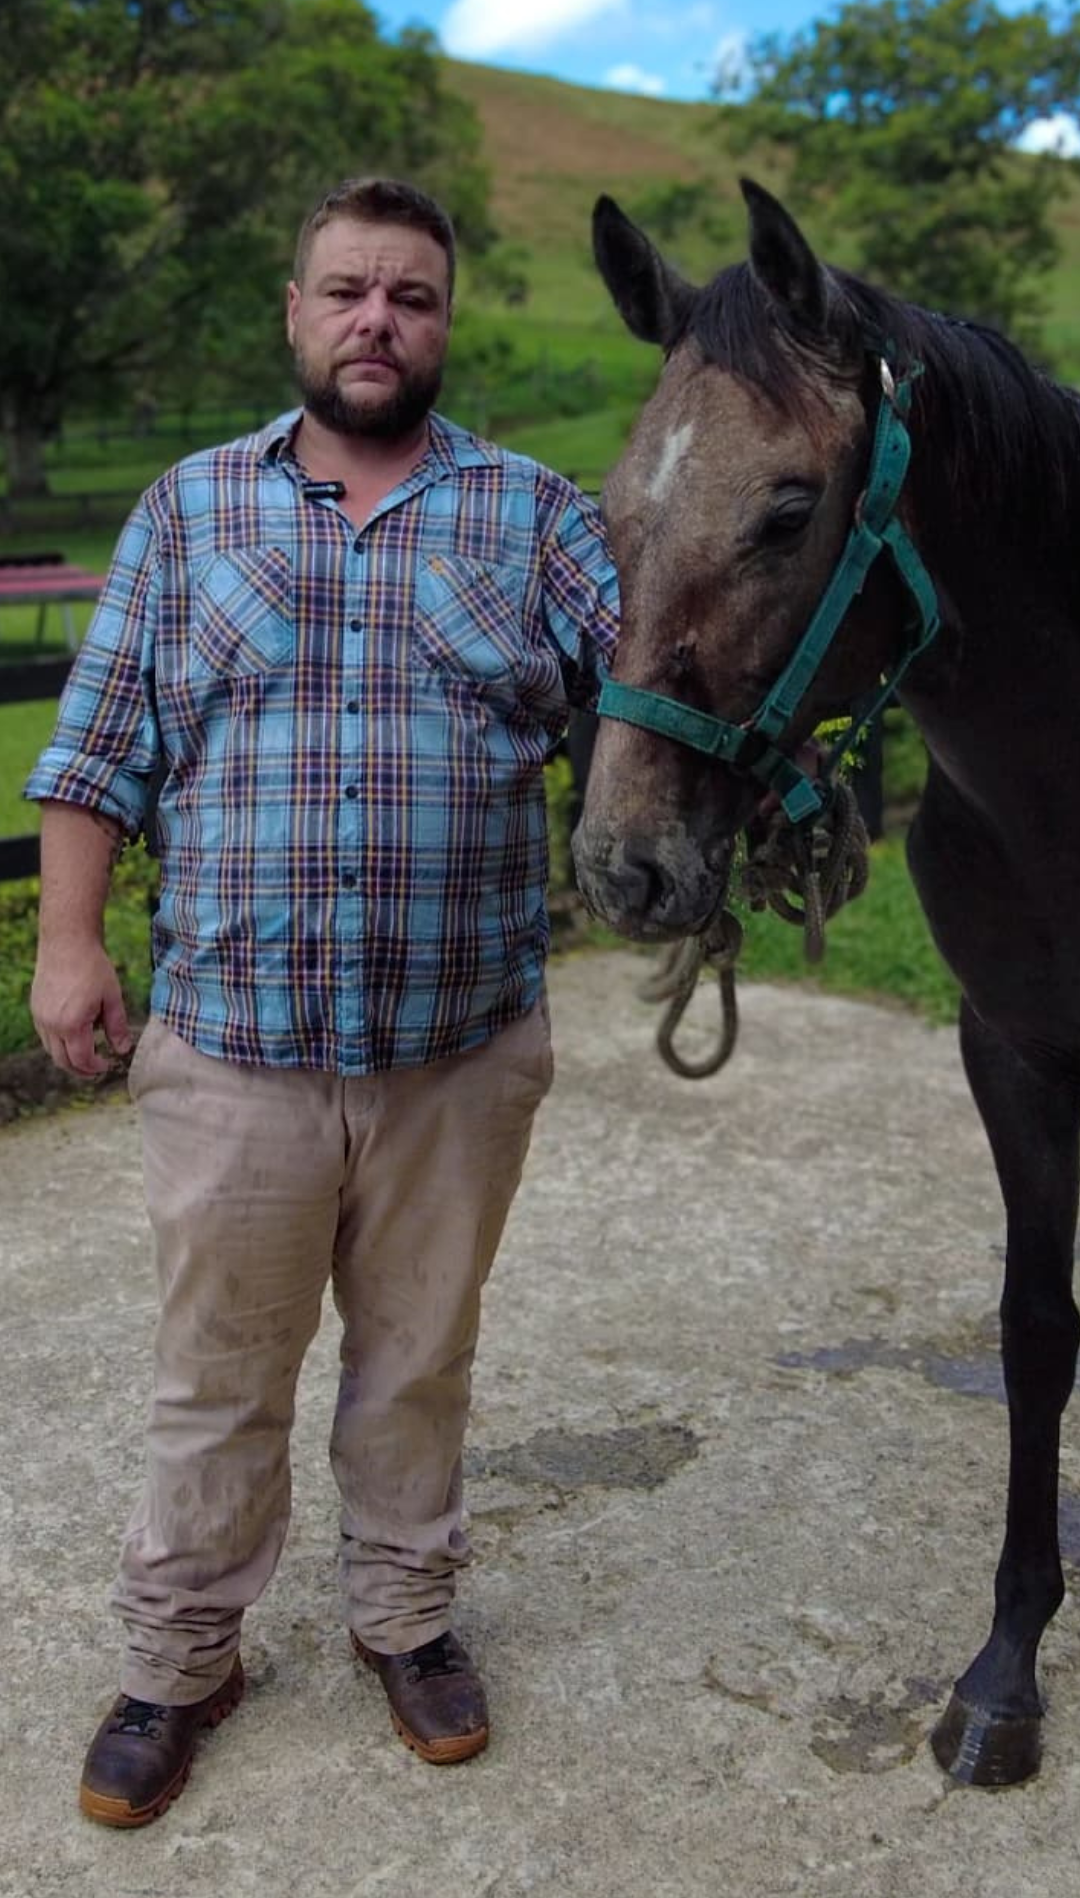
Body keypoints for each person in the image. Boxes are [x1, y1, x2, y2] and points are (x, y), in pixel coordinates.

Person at [26, 176, 618, 1827]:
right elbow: (95, 746)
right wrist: (69, 944)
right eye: (348, 290)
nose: (378, 320)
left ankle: (405, 1620)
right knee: (218, 1370)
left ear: (445, 323)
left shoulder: (538, 515)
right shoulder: (191, 510)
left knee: (420, 1356)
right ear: (294, 312)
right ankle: (181, 1657)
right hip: (236, 1047)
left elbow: (659, 688)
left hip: (459, 1048)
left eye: (410, 296)